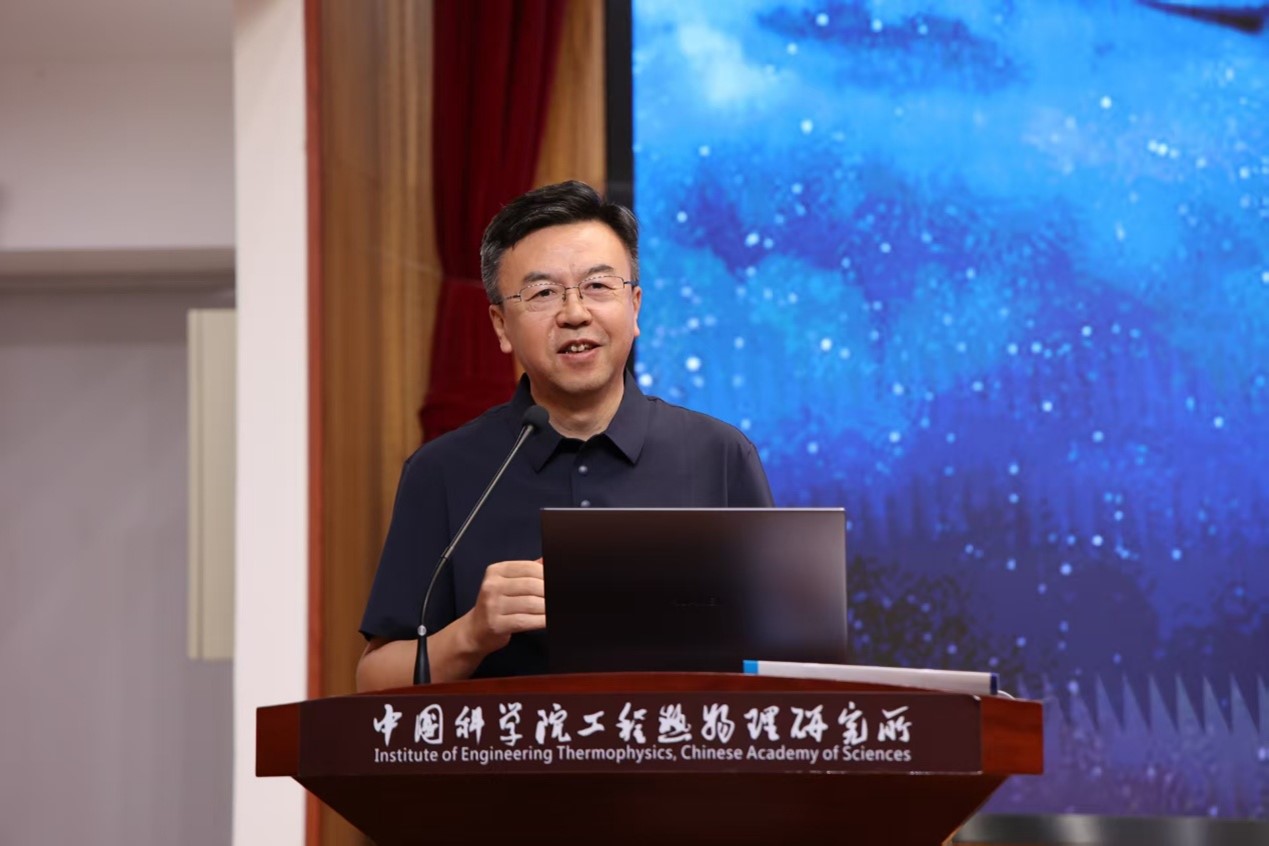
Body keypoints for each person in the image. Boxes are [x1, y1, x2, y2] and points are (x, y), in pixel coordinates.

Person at [355, 181, 773, 691]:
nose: (575, 313)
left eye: (598, 286)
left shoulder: (719, 456)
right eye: (543, 293)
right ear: (501, 326)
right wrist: (472, 633)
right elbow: (375, 680)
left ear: (635, 306)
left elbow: (780, 663)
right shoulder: (442, 472)